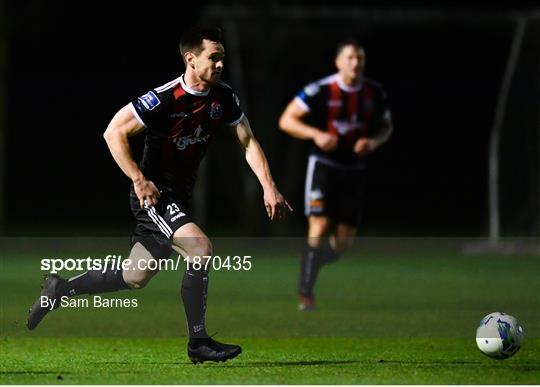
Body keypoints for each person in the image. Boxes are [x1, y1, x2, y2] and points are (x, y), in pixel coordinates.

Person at [27, 26, 292, 364]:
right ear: (191, 60)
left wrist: (269, 187)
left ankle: (60, 289)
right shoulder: (165, 98)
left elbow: (248, 141)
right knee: (200, 248)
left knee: (135, 276)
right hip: (154, 195)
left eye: (222, 58)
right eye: (214, 58)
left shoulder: (223, 97)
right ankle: (198, 342)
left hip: (177, 197)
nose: (221, 64)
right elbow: (114, 132)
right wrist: (139, 179)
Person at [278, 40, 393, 311]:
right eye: (350, 57)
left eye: (360, 58)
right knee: (317, 227)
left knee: (342, 243)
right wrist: (316, 134)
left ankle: (309, 258)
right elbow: (287, 120)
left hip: (353, 170)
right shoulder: (321, 90)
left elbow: (386, 126)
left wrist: (374, 142)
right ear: (338, 62)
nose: (356, 63)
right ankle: (306, 294)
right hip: (323, 167)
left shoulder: (373, 92)